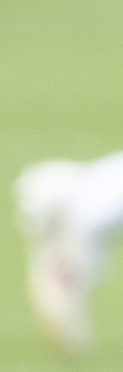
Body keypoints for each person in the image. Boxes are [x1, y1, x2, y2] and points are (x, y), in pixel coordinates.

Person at [14, 151, 123, 354]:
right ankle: (65, 326)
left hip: (72, 202)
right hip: (73, 209)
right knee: (66, 277)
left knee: (64, 278)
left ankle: (63, 320)